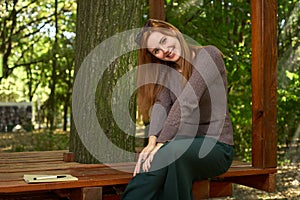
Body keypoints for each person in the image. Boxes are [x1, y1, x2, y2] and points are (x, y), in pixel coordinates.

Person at [121, 19, 234, 200]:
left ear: (172, 32)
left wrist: (161, 144)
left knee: (170, 153)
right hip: (180, 145)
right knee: (155, 161)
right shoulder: (167, 72)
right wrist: (151, 142)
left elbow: (187, 102)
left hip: (216, 147)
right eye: (156, 51)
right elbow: (161, 105)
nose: (163, 50)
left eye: (163, 41)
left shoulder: (209, 56)